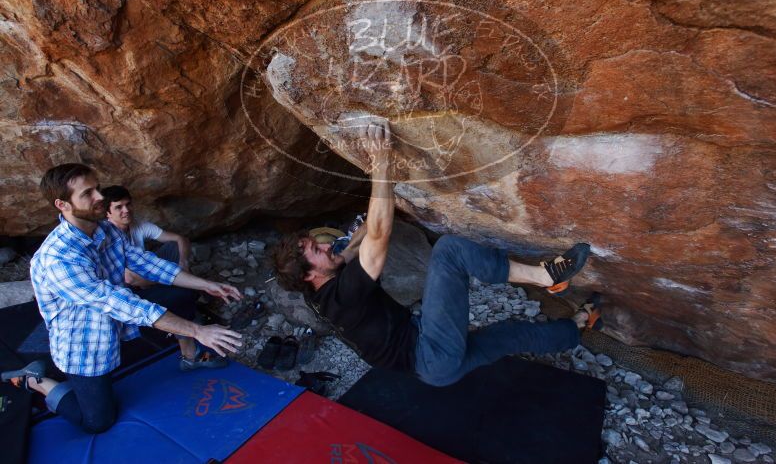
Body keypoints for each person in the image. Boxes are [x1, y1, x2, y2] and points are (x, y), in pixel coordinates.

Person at [272, 120, 600, 387]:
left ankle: (579, 325)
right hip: (430, 351)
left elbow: (357, 242)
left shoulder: (316, 291)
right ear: (308, 275)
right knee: (449, 252)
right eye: (318, 250)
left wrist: (387, 201)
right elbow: (378, 234)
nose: (327, 245)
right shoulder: (342, 298)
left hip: (435, 371)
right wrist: (381, 163)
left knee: (508, 336)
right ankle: (545, 277)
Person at [0, 163, 243, 434]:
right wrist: (198, 330)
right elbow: (119, 302)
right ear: (62, 204)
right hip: (83, 342)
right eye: (87, 193)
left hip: (116, 324)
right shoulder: (57, 258)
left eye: (97, 188)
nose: (99, 197)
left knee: (181, 292)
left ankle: (190, 356)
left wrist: (207, 284)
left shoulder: (106, 229)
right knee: (98, 421)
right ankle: (35, 380)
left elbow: (147, 263)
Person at [100, 185, 202, 362]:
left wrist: (182, 264)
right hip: (126, 293)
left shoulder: (137, 225)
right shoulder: (107, 238)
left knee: (172, 248)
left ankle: (184, 290)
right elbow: (131, 279)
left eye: (128, 204)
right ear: (107, 213)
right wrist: (174, 279)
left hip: (145, 277)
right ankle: (189, 353)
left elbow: (179, 239)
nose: (126, 211)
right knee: (181, 292)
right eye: (118, 207)